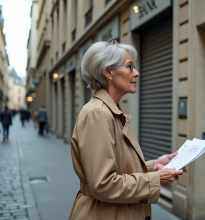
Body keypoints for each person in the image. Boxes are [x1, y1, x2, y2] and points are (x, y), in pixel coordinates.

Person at [68, 39, 184, 220]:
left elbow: (117, 170)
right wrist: (156, 179)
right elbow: (104, 184)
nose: (136, 73)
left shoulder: (109, 111)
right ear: (109, 72)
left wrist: (154, 166)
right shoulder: (98, 114)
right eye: (130, 67)